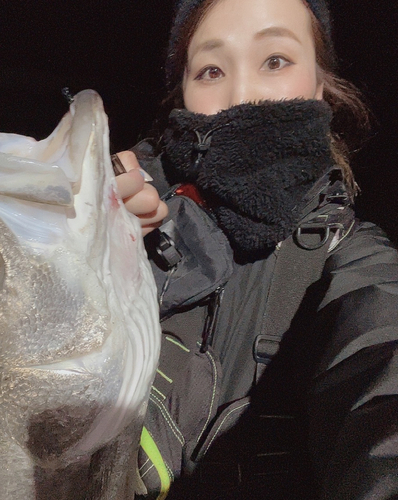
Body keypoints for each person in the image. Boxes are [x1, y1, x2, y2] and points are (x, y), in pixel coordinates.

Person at [116, 0, 398, 498]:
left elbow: (380, 380)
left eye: (275, 61)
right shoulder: (127, 224)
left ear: (319, 88)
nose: (241, 94)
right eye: (210, 69)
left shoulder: (352, 261)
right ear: (182, 95)